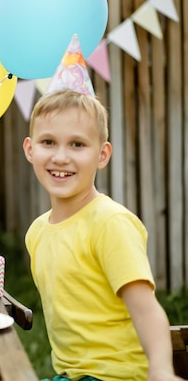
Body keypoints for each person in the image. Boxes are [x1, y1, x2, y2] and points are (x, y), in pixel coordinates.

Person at [23, 89, 184, 381]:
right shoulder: (37, 232)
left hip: (115, 375)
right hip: (71, 375)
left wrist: (160, 369)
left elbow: (146, 310)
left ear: (102, 154)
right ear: (30, 149)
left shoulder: (110, 223)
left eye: (77, 144)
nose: (61, 157)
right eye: (49, 142)